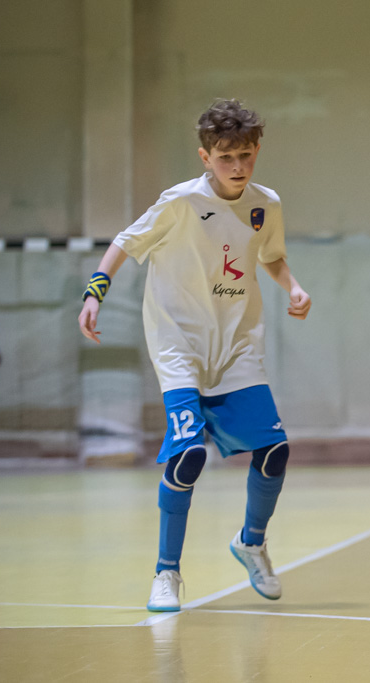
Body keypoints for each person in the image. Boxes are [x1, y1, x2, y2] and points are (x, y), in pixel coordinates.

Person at [78, 99, 312, 612]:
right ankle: (166, 572)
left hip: (237, 345)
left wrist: (293, 286)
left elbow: (271, 255)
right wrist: (95, 292)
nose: (238, 166)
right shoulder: (181, 202)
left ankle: (251, 542)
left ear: (257, 150)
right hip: (179, 344)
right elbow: (125, 242)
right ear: (206, 157)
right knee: (188, 455)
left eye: (246, 155)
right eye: (226, 157)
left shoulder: (266, 204)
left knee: (275, 451)